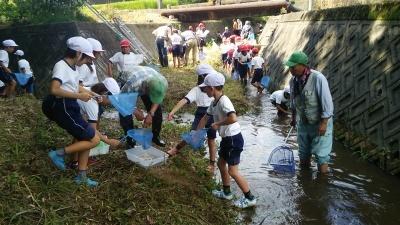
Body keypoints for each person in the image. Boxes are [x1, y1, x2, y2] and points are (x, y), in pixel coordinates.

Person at [42, 36, 100, 187]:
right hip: (64, 107)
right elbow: (54, 89)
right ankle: (58, 154)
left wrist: (93, 95)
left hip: (70, 106)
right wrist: (79, 96)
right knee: (94, 139)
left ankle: (82, 175)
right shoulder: (61, 66)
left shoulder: (73, 68)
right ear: (78, 53)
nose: (88, 61)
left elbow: (75, 87)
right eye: (86, 57)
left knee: (86, 138)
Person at [196, 72, 256, 208]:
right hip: (226, 139)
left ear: (212, 88)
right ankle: (227, 192)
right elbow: (205, 118)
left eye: (205, 88)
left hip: (233, 139)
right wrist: (196, 132)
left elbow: (233, 118)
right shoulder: (214, 103)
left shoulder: (224, 101)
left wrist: (218, 124)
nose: (203, 90)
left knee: (233, 171)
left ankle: (250, 198)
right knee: (221, 164)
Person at [285, 51, 334, 174]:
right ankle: (305, 180)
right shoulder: (293, 81)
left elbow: (327, 104)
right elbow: (293, 102)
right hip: (303, 123)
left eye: (293, 66)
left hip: (320, 123)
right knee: (303, 153)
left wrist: (324, 123)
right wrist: (293, 118)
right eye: (290, 66)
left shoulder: (318, 78)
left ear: (303, 65)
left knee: (321, 156)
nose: (290, 69)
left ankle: (322, 184)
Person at [167, 64, 217, 171]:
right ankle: (176, 149)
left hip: (212, 114)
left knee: (211, 139)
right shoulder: (196, 90)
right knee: (192, 135)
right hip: (200, 114)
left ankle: (212, 164)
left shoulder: (214, 89)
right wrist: (172, 112)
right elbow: (184, 100)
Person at [119, 66, 168, 147]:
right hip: (127, 80)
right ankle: (130, 138)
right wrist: (135, 111)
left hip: (146, 80)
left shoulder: (163, 83)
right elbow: (121, 99)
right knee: (125, 112)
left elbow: (157, 100)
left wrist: (150, 114)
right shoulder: (133, 84)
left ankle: (155, 136)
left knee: (157, 112)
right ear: (147, 89)